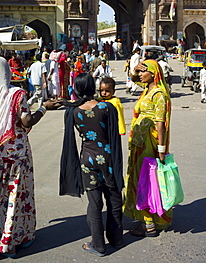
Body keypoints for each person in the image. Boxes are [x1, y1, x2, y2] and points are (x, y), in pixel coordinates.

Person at [0, 56, 61, 258]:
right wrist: (44, 108)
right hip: (16, 157)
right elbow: (26, 121)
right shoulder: (16, 94)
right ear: (7, 71)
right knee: (14, 198)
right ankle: (11, 240)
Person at [60, 73, 124, 257]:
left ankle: (98, 244)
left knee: (94, 204)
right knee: (113, 199)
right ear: (93, 87)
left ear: (77, 89)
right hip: (107, 158)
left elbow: (70, 142)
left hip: (87, 160)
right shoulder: (107, 107)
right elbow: (114, 138)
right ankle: (117, 238)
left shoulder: (73, 112)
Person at [123, 59, 172, 236]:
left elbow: (160, 123)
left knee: (146, 182)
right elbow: (133, 79)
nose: (140, 75)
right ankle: (145, 218)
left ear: (153, 74)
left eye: (144, 71)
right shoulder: (147, 90)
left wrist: (161, 148)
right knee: (137, 179)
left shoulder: (159, 94)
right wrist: (135, 69)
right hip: (139, 142)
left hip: (149, 144)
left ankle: (149, 223)